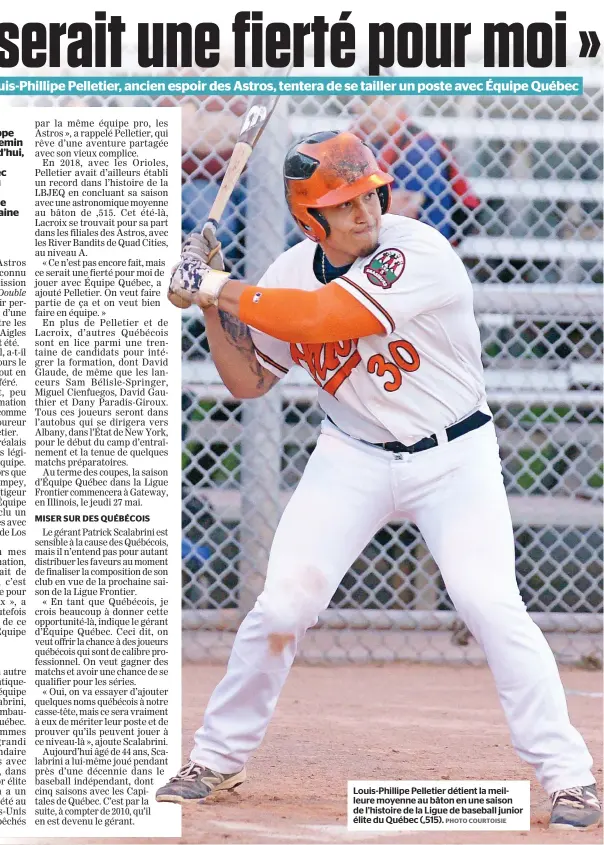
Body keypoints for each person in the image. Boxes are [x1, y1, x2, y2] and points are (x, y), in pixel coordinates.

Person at [158, 131, 601, 831]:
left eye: (368, 193)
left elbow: (318, 318)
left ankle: (569, 776)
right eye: (343, 202)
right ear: (311, 219)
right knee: (280, 608)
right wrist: (216, 306)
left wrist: (215, 285)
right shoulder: (286, 272)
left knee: (489, 602)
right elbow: (247, 381)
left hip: (454, 455)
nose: (364, 210)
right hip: (352, 456)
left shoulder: (415, 250)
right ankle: (217, 755)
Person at [351, 97, 480, 244]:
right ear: (354, 104)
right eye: (366, 100)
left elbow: (401, 212)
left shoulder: (420, 147)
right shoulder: (350, 139)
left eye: (385, 99)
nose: (374, 108)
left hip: (424, 240)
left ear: (399, 101)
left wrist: (355, 203)